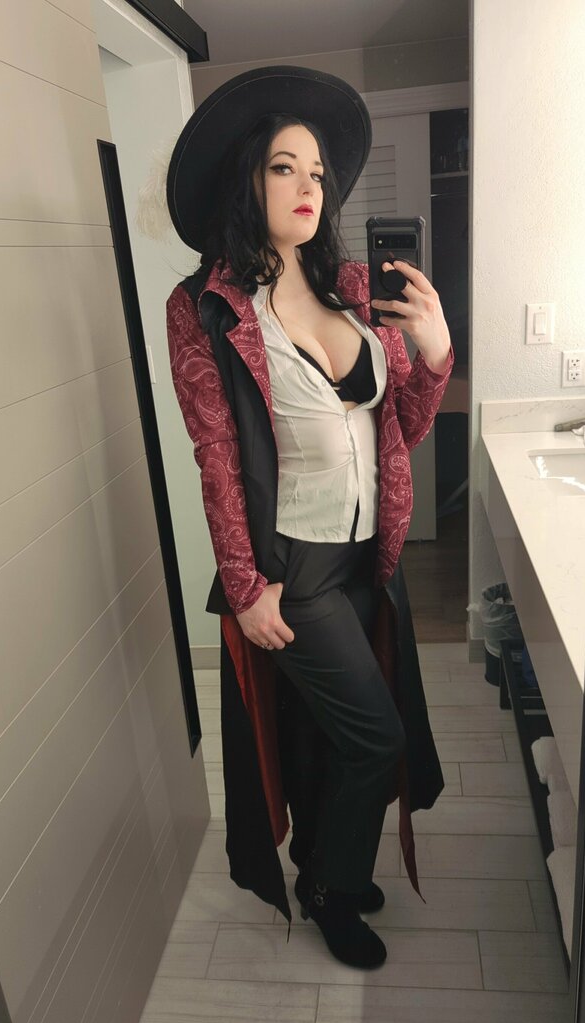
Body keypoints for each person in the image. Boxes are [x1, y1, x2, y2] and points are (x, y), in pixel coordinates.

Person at [158, 66, 454, 970]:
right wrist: (245, 586)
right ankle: (327, 886)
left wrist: (435, 353)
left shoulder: (353, 288)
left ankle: (332, 857)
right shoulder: (206, 308)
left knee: (335, 731)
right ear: (247, 179)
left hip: (371, 558)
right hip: (297, 568)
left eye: (318, 172)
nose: (308, 187)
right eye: (285, 167)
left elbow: (400, 428)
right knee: (376, 736)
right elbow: (215, 451)